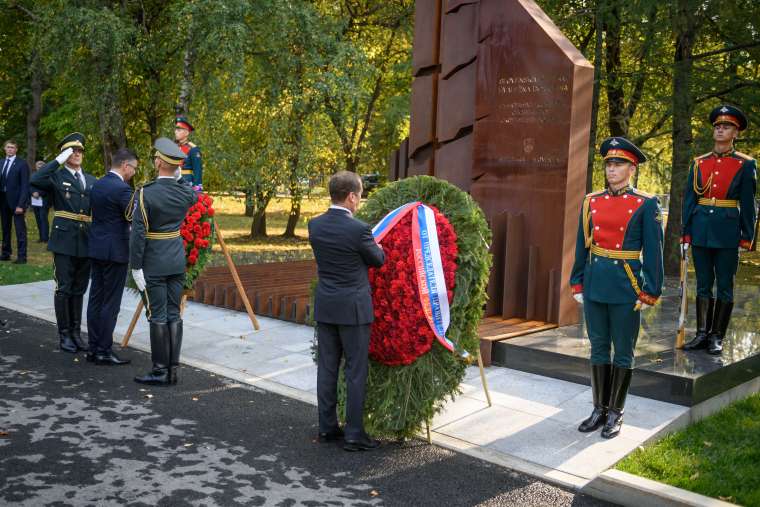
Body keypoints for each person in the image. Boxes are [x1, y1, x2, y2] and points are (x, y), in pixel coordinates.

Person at [570, 137, 664, 439]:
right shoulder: (591, 201)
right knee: (598, 347)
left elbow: (654, 252)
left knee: (623, 351)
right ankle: (598, 409)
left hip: (627, 286)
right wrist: (577, 281)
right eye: (609, 163)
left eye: (618, 164)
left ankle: (616, 413)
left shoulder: (646, 204)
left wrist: (650, 290)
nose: (612, 169)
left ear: (631, 168)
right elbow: (582, 246)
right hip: (596, 283)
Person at [308, 171, 386, 451]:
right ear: (351, 196)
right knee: (355, 371)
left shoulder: (314, 225)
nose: (360, 201)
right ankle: (354, 433)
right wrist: (378, 246)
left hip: (327, 306)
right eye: (360, 195)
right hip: (353, 309)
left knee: (327, 368)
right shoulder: (359, 230)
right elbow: (377, 260)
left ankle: (327, 428)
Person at [681, 105, 757, 355]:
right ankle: (701, 333)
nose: (720, 129)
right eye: (717, 126)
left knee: (724, 285)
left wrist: (747, 237)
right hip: (701, 228)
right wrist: (686, 232)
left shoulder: (745, 164)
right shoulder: (699, 163)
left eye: (726, 126)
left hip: (727, 231)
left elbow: (748, 204)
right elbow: (690, 200)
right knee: (703, 284)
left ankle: (717, 336)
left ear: (735, 132)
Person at [131, 138, 197, 386]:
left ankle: (160, 370)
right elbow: (191, 195)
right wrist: (179, 178)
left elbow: (138, 233)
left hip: (154, 261)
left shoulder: (146, 192)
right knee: (174, 314)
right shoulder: (184, 192)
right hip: (176, 259)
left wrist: (135, 266)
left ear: (158, 162)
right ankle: (173, 371)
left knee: (157, 315)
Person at [31, 133, 96, 353]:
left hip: (86, 240)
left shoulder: (91, 179)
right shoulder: (56, 177)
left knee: (79, 289)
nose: (77, 154)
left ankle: (77, 333)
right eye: (72, 151)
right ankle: (64, 335)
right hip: (64, 240)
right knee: (64, 288)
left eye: (79, 151)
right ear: (65, 154)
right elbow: (35, 180)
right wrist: (58, 160)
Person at [86, 148, 138, 366]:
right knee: (111, 302)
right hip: (115, 251)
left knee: (96, 298)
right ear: (125, 165)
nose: (134, 173)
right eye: (134, 168)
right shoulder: (122, 189)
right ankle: (104, 350)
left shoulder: (97, 184)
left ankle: (93, 347)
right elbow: (135, 216)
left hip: (97, 247)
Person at [0, 140, 30, 264]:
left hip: (17, 203)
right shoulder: (1, 162)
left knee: (20, 230)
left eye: (12, 147)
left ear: (16, 149)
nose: (10, 149)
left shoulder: (22, 164)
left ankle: (22, 257)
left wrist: (21, 204)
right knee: (5, 229)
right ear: (4, 149)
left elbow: (25, 186)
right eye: (8, 147)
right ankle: (6, 253)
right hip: (3, 201)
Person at [174, 116, 203, 190]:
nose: (176, 132)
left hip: (187, 184)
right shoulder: (174, 148)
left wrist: (198, 191)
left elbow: (198, 172)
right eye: (176, 129)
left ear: (186, 133)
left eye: (179, 130)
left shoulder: (193, 149)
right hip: (174, 184)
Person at [31, 161, 50, 243]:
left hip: (44, 200)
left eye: (41, 166)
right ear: (35, 167)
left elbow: (49, 188)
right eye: (38, 166)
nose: (40, 168)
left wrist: (39, 193)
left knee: (43, 218)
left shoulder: (47, 176)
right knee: (38, 219)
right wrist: (33, 192)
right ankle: (41, 237)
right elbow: (29, 186)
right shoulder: (33, 175)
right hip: (35, 200)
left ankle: (45, 238)